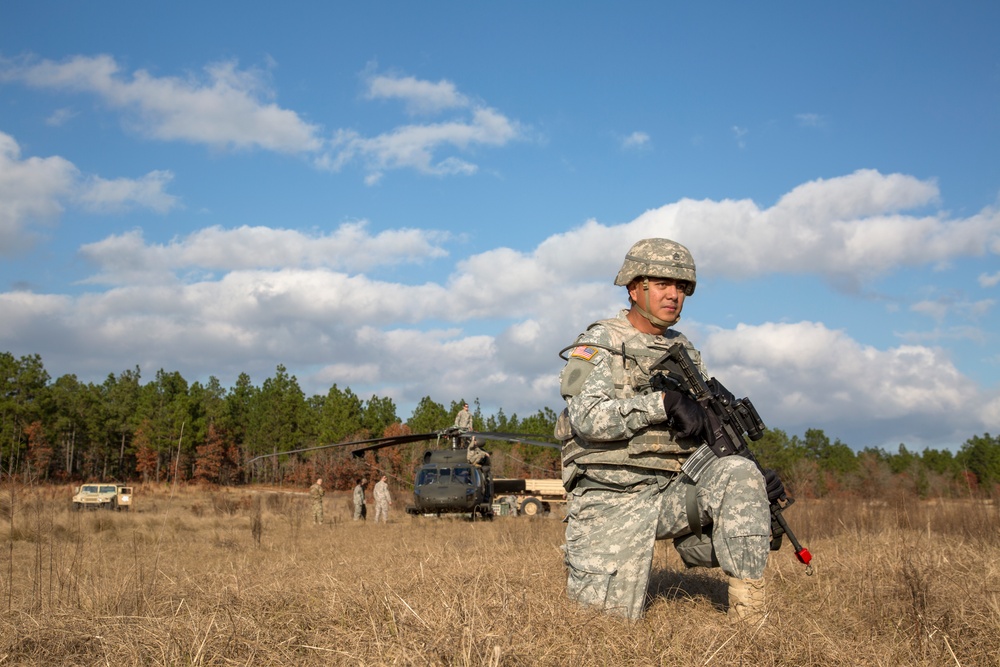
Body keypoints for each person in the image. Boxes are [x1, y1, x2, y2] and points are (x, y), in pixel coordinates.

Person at [557, 238, 772, 622]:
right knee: (601, 627)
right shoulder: (598, 342)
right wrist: (662, 404)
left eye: (681, 287)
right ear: (634, 288)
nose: (673, 295)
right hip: (612, 498)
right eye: (662, 284)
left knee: (741, 474)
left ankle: (751, 619)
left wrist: (752, 479)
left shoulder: (685, 351)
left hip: (672, 491)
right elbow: (587, 417)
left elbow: (708, 425)